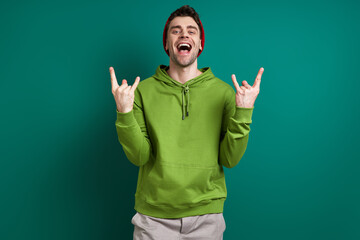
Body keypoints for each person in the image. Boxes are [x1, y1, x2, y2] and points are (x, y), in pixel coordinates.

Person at [109, 5, 263, 240]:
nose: (184, 35)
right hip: (153, 218)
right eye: (176, 31)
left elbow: (230, 159)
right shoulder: (141, 92)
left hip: (207, 216)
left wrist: (244, 111)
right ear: (167, 44)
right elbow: (138, 156)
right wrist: (124, 112)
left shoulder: (224, 93)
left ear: (200, 44)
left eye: (192, 31)